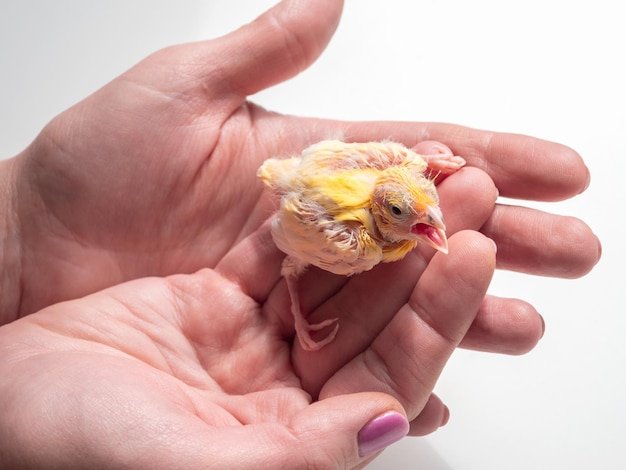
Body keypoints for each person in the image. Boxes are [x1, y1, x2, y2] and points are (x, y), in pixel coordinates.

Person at [0, 0, 600, 468]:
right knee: (324, 264)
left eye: (425, 211)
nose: (427, 227)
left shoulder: (398, 169)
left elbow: (387, 171)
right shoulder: (356, 242)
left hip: (333, 176)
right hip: (298, 201)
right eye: (411, 220)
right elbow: (292, 241)